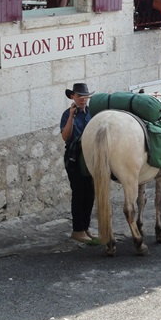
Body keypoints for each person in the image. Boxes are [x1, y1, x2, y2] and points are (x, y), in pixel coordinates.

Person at [60, 82, 96, 242]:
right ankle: (77, 230)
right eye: (80, 96)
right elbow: (65, 137)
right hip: (74, 157)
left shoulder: (91, 113)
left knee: (90, 193)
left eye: (85, 97)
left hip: (89, 156)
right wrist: (71, 117)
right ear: (72, 97)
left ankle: (85, 228)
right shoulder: (67, 114)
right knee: (79, 192)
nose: (83, 99)